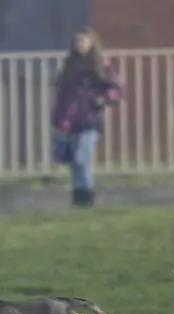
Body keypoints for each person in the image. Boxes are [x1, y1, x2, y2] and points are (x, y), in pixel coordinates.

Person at [51, 27, 124, 208]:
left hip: (90, 118)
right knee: (73, 160)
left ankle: (86, 193)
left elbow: (118, 88)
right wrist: (57, 121)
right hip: (69, 121)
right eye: (77, 41)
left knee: (82, 156)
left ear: (92, 43)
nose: (80, 45)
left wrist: (104, 98)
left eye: (83, 41)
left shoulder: (101, 66)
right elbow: (61, 97)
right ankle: (78, 195)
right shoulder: (70, 66)